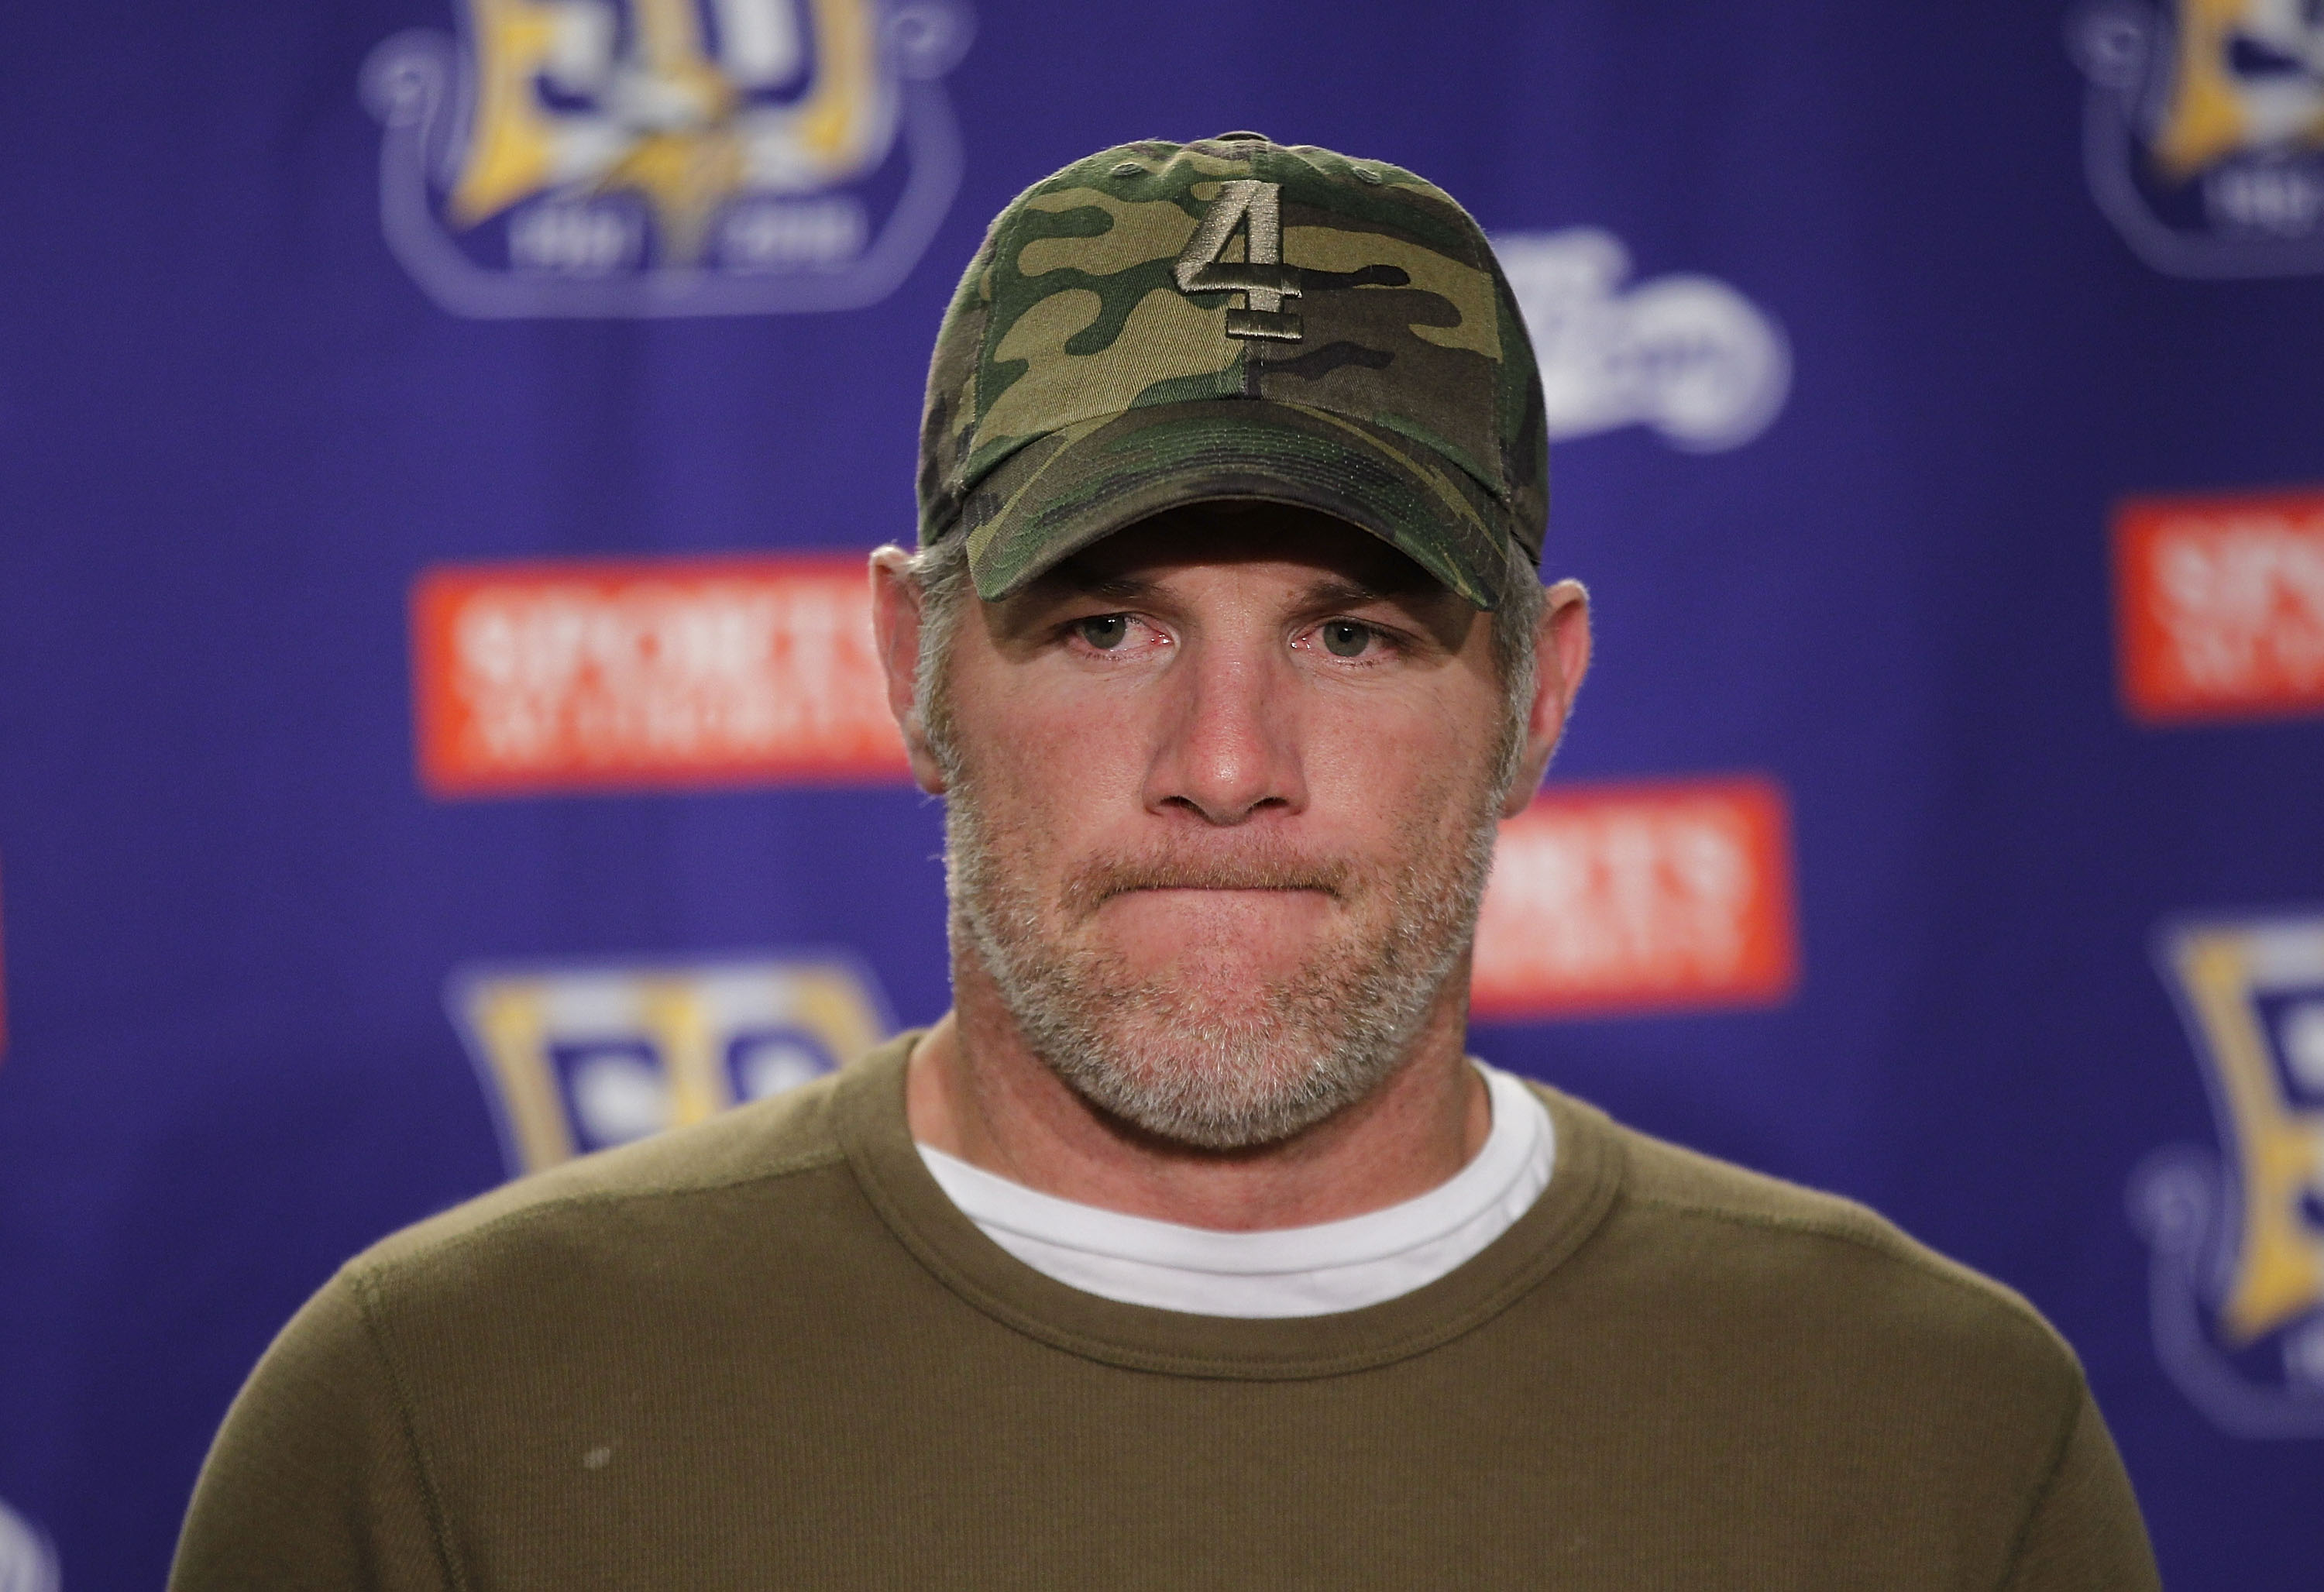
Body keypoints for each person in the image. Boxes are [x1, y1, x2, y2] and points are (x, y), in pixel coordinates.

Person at [173, 133, 2160, 1590]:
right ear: (910, 659)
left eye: (1355, 633)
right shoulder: (445, 1418)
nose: (1227, 765)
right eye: (1108, 623)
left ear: (1542, 699)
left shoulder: (1931, 1438)